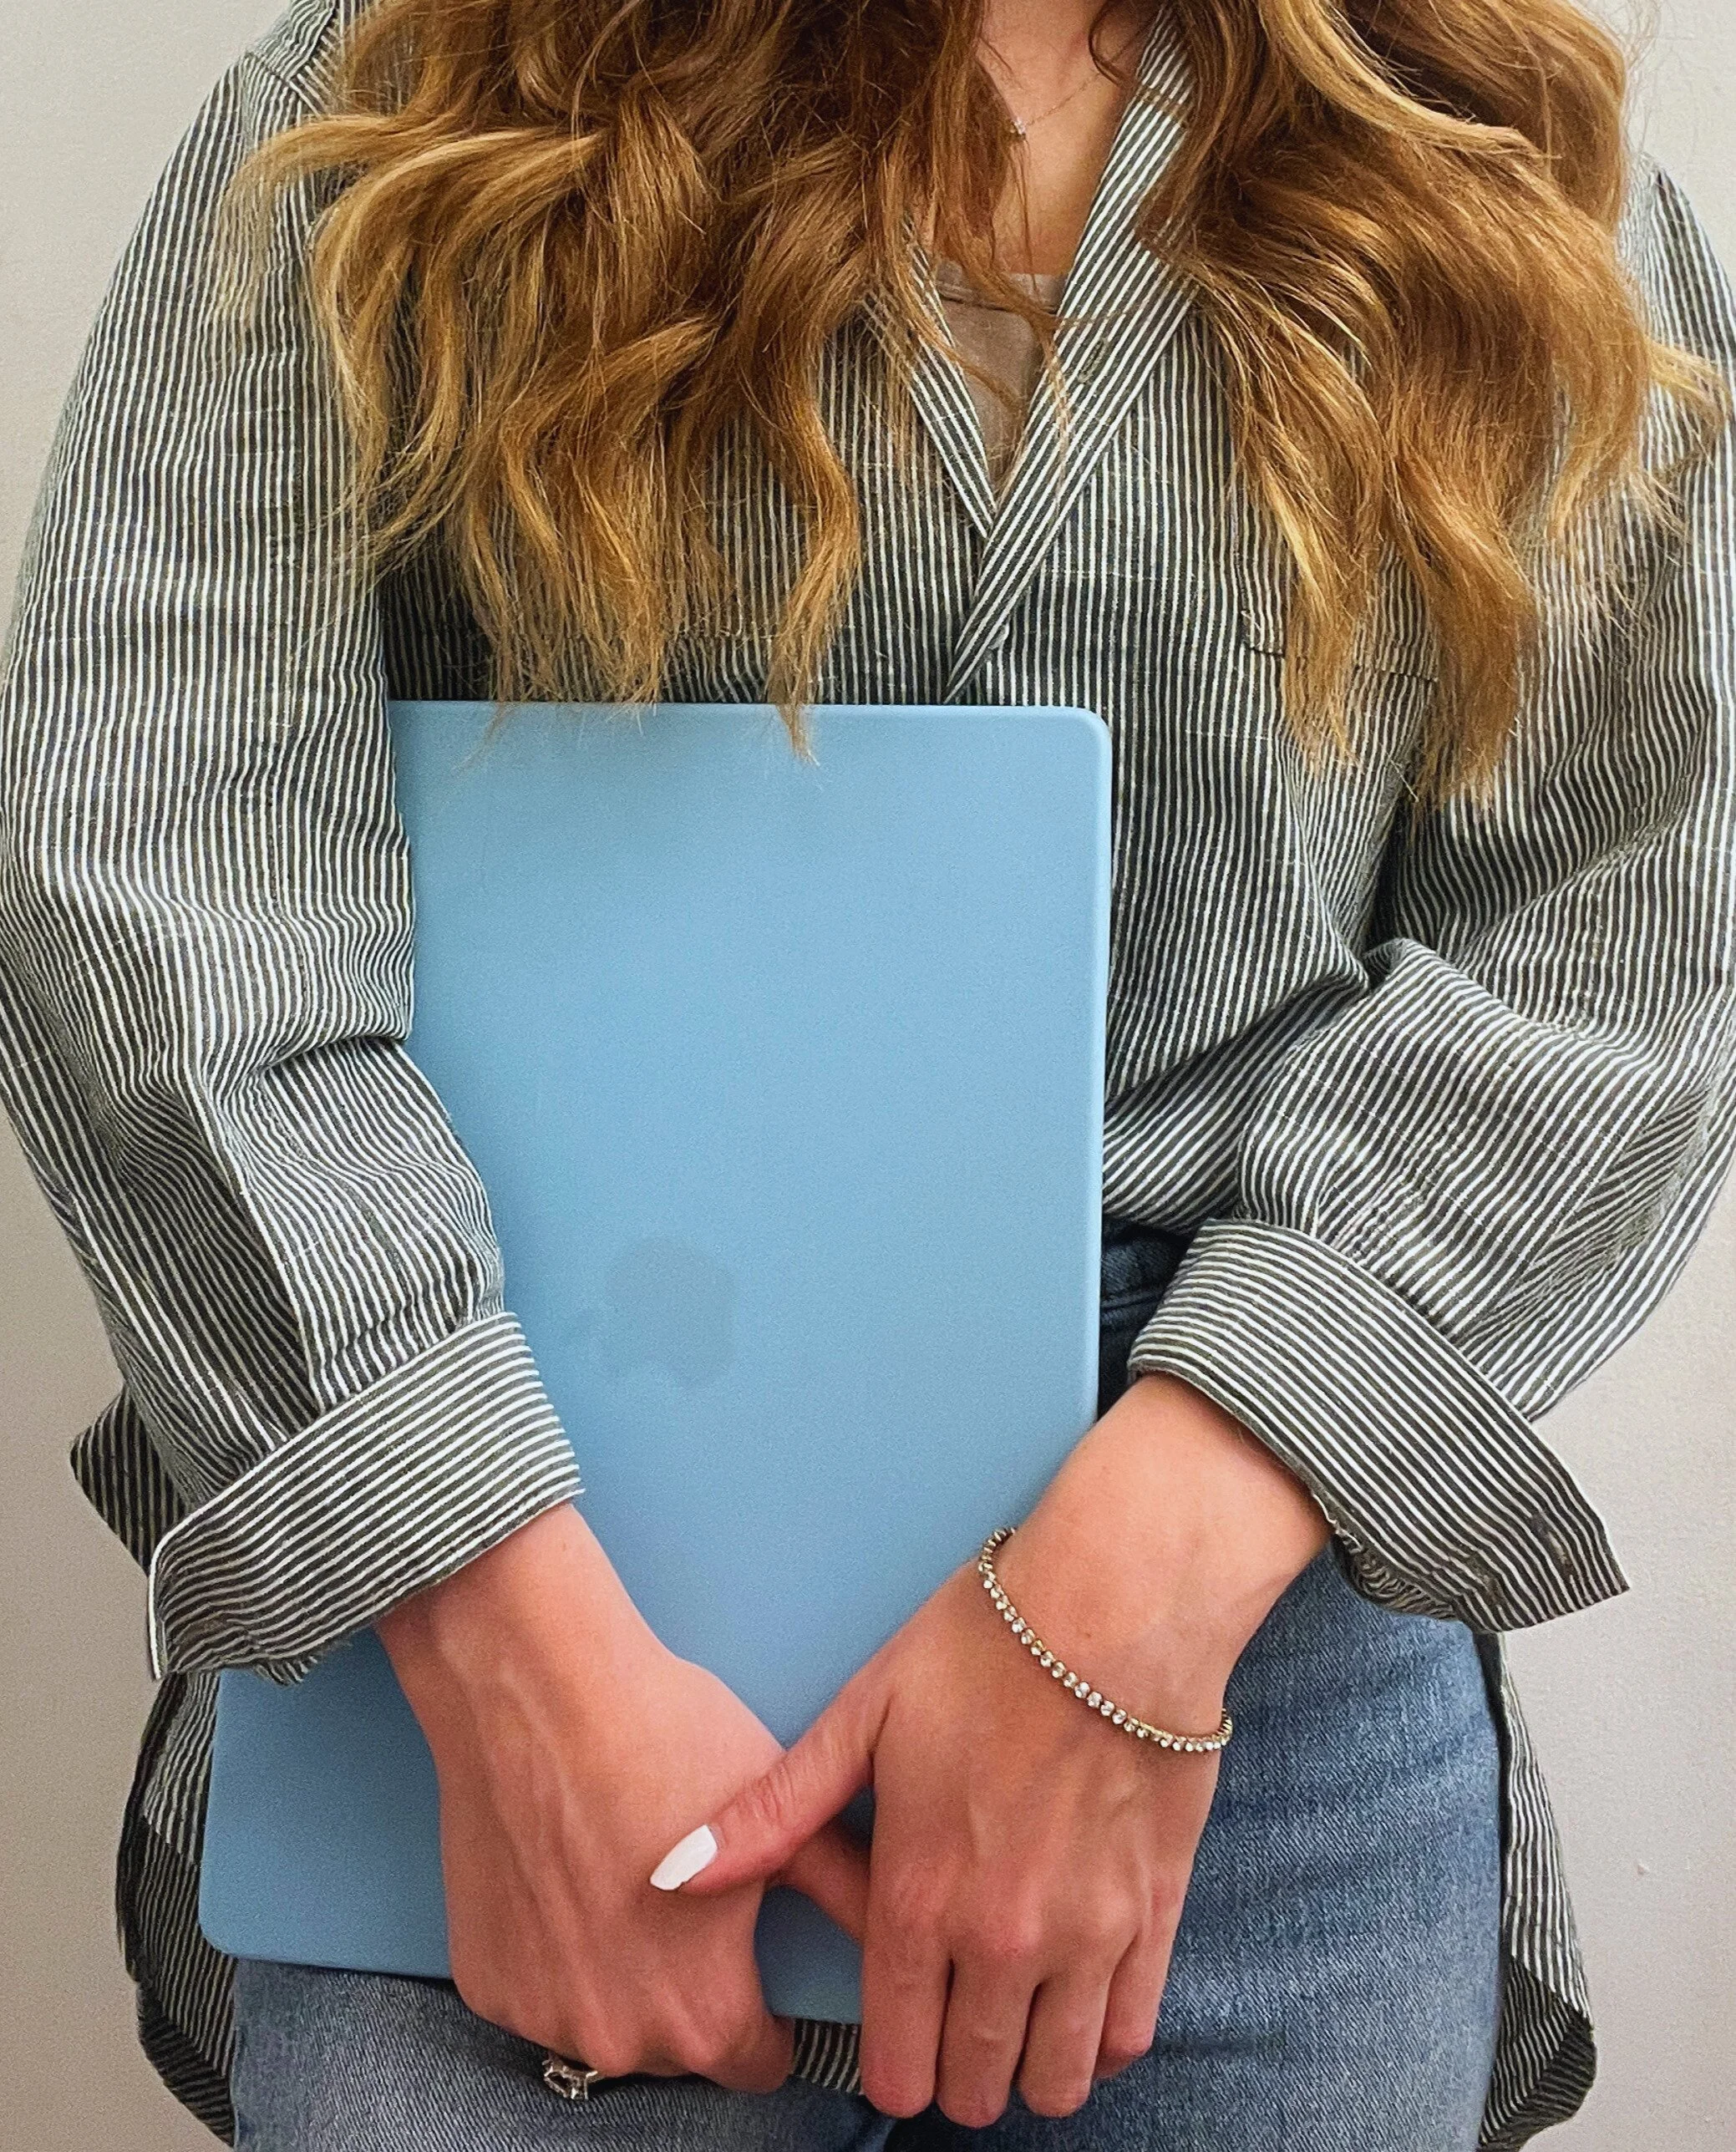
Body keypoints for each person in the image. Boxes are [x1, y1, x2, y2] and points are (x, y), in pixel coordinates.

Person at [2, 0, 1733, 2146]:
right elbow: (154, 862)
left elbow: (1626, 925)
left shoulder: (1492, 150)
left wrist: (1147, 1573)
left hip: (1246, 1663)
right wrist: (500, 1639)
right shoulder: (391, 98)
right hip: (514, 1587)